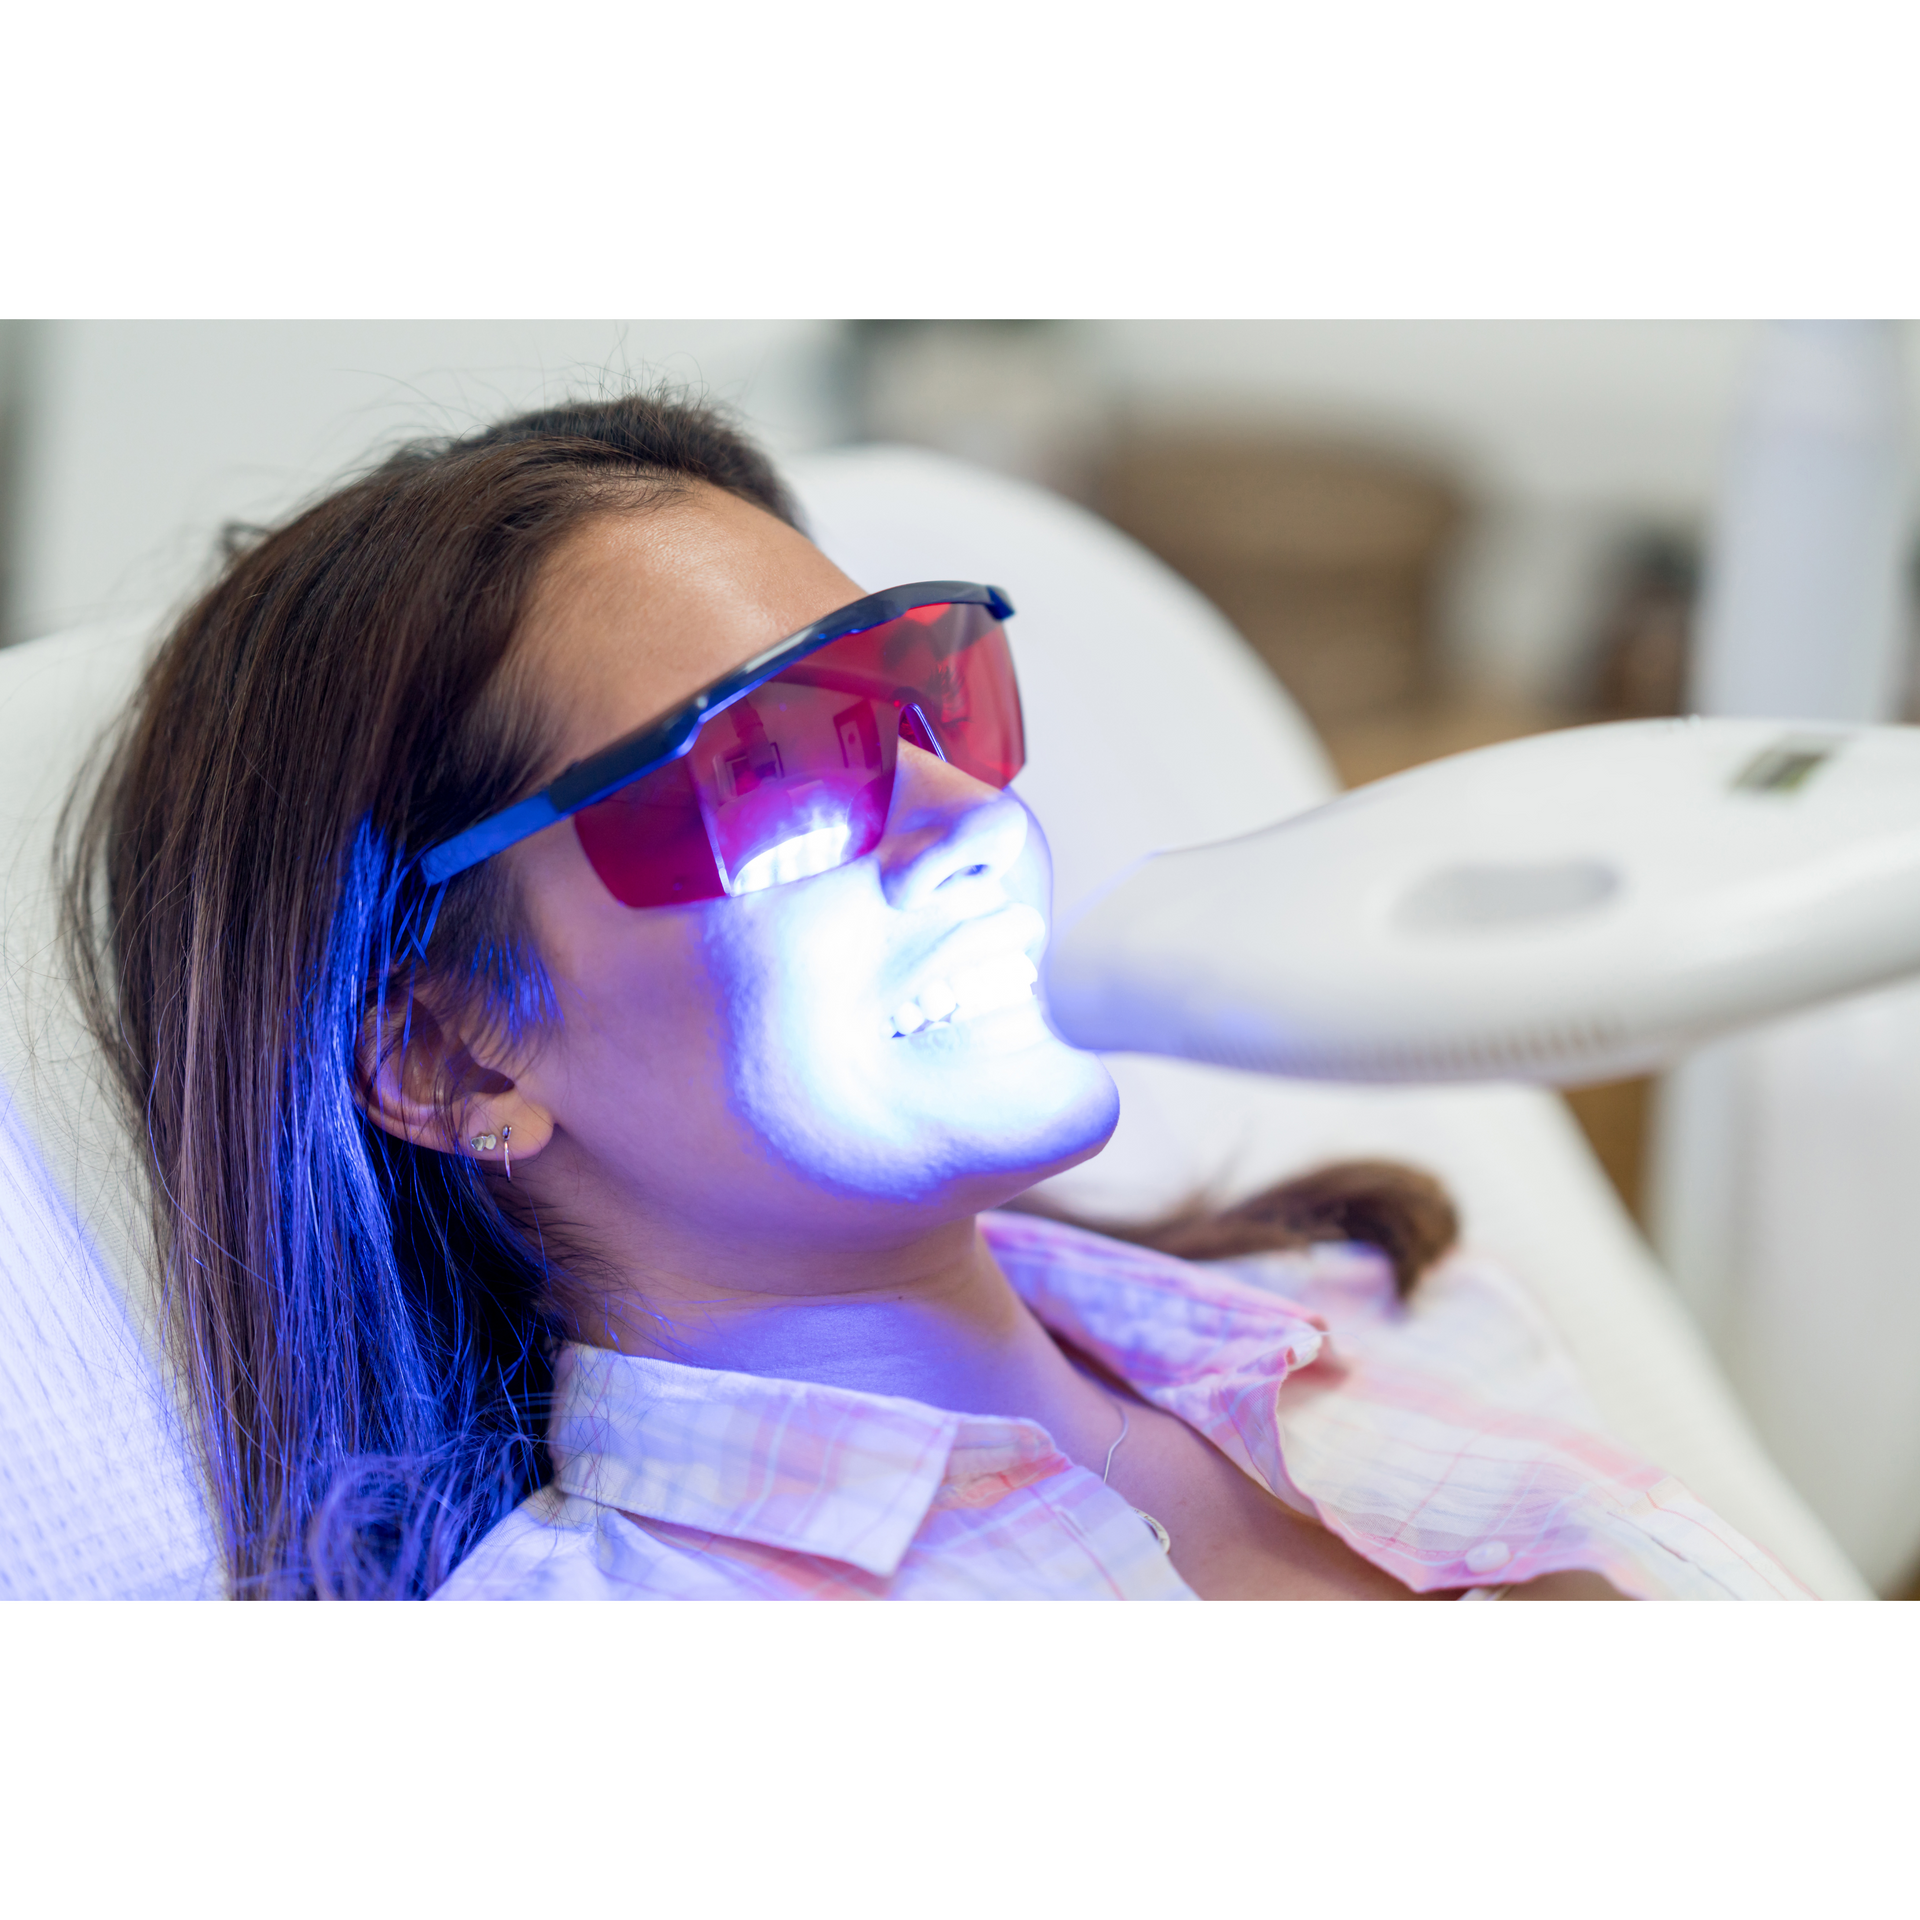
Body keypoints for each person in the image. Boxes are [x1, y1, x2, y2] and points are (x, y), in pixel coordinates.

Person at [63, 392, 1805, 1601]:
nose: (973, 821)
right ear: (453, 1051)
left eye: (934, 697)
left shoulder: (1384, 1312)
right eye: (771, 770)